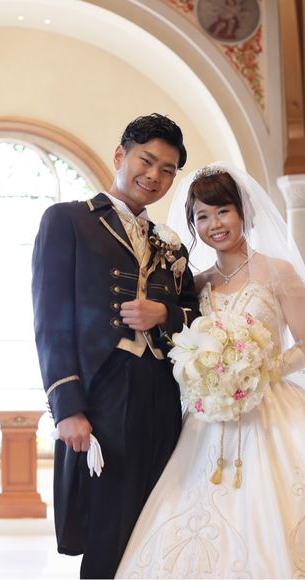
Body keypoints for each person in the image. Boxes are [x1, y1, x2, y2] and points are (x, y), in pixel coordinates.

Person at [31, 113, 201, 579]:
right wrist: (67, 407)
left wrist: (164, 314)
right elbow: (50, 320)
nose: (155, 176)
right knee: (106, 531)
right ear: (120, 155)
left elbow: (195, 316)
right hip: (101, 396)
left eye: (168, 170)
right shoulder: (68, 221)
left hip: (162, 397)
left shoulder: (172, 245)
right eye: (147, 160)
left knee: (156, 525)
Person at [116, 161, 305, 578]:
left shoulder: (278, 272)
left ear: (242, 212)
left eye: (223, 211)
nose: (214, 224)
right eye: (202, 216)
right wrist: (205, 372)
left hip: (271, 408)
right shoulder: (197, 284)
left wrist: (264, 369)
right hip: (209, 415)